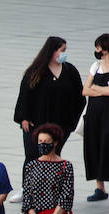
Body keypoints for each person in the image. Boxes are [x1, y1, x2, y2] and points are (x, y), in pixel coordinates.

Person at [14, 36, 85, 168]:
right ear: (52, 51)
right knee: (32, 157)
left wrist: (73, 121)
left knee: (54, 155)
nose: (64, 53)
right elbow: (24, 96)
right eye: (61, 50)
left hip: (61, 125)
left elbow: (80, 97)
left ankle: (50, 187)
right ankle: (28, 188)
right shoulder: (35, 72)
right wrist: (24, 118)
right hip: (36, 124)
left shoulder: (70, 71)